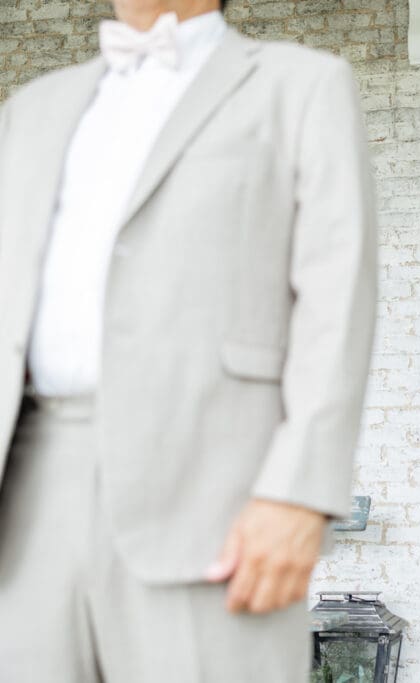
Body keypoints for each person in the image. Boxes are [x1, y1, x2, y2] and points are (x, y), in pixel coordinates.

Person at [0, 0, 376, 680]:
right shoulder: (29, 110)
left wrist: (299, 491)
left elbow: (336, 299)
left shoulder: (303, 87)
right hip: (27, 489)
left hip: (213, 491)